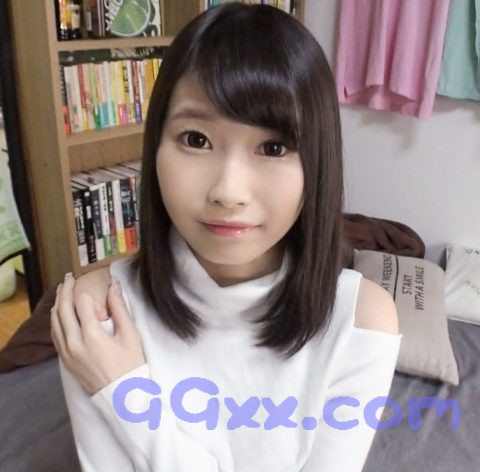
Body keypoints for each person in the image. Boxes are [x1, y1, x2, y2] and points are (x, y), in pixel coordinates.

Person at [51, 3, 402, 471]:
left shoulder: (361, 320)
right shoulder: (98, 312)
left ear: (318, 162)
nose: (228, 192)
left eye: (273, 147)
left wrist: (126, 395)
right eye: (196, 140)